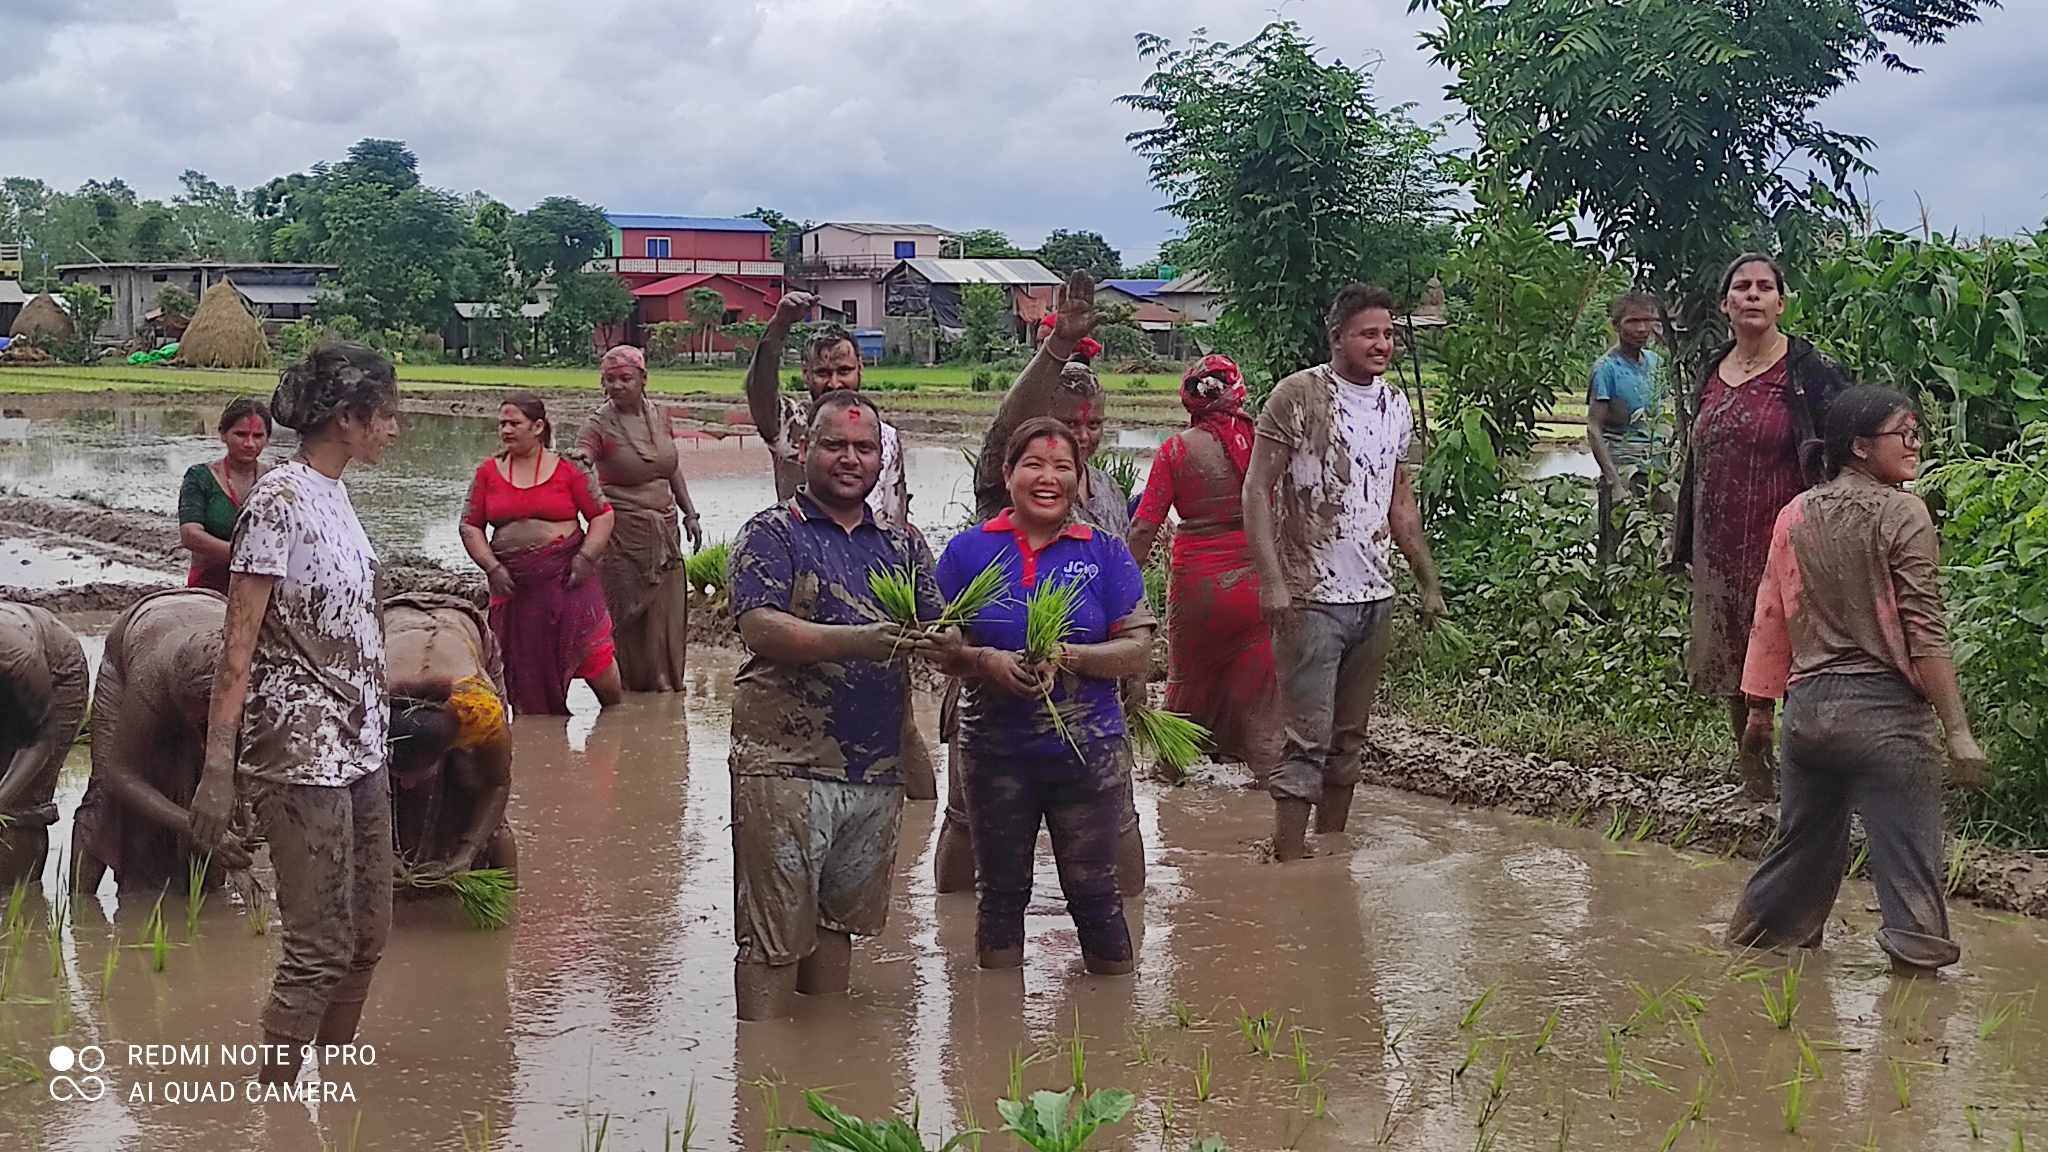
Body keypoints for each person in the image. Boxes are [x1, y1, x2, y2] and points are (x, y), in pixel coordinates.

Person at [189, 340, 400, 1087]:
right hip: (298, 748)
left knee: (368, 934)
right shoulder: (277, 500)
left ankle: (331, 1090)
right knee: (318, 946)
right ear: (347, 418)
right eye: (385, 415)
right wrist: (220, 769)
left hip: (362, 743)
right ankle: (278, 1105)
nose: (393, 429)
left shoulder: (336, 495)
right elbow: (237, 645)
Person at [1727, 385, 1988, 974]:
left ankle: (1743, 963)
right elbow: (1925, 630)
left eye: (1917, 433)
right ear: (1861, 447)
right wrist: (1958, 732)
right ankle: (1916, 1005)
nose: (1915, 444)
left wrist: (1760, 712)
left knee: (1797, 858)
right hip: (1887, 723)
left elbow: (1772, 615)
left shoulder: (1794, 513)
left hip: (1810, 717)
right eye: (1904, 433)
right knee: (1910, 862)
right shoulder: (1904, 512)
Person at [725, 390, 939, 1020]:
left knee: (839, 924)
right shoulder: (772, 532)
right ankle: (758, 1078)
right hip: (783, 762)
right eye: (835, 445)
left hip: (873, 766)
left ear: (882, 459)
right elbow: (760, 627)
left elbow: (940, 628)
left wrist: (961, 646)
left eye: (865, 448)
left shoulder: (902, 545)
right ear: (805, 449)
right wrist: (862, 642)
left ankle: (823, 1063)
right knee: (771, 937)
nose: (851, 458)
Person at [935, 271, 1147, 892]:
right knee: (969, 823)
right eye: (1066, 427)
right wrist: (1054, 348)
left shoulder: (1106, 493)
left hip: (1088, 698)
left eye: (1092, 428)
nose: (1080, 441)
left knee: (1117, 825)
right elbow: (1006, 430)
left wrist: (1130, 676)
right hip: (990, 699)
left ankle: (1128, 928)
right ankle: (951, 934)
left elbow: (1126, 604)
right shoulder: (1007, 483)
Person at [931, 417, 1156, 974]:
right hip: (994, 749)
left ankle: (1112, 1027)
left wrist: (1069, 658)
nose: (1047, 478)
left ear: (1081, 482)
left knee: (1095, 893)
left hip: (1089, 750)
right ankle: (994, 1030)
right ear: (1007, 475)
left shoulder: (1105, 552)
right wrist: (983, 659)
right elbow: (937, 644)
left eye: (1062, 467)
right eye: (1033, 464)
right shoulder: (967, 553)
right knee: (1001, 896)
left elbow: (1137, 652)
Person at [1242, 284, 1447, 862]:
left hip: (1374, 594)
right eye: (1368, 333)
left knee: (1349, 739)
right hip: (1311, 597)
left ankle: (1329, 850)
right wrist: (1273, 579)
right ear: (1337, 338)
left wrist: (1426, 581)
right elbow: (1257, 488)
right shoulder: (1298, 397)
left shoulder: (1395, 407)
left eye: (1388, 334)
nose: (1382, 344)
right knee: (1306, 737)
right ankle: (1286, 857)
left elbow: (1399, 500)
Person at [1668, 254, 1850, 796]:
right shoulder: (1714, 367)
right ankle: (1755, 778)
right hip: (1719, 541)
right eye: (1741, 287)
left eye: (1764, 287)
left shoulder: (1807, 370)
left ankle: (1807, 784)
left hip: (1788, 543)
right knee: (1732, 654)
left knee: (1794, 656)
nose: (1752, 295)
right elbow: (1697, 456)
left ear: (1781, 302)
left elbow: (1845, 442)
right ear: (1725, 304)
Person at [744, 294, 931, 798]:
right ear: (805, 375)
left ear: (861, 369)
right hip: (811, 578)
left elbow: (897, 507)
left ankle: (915, 821)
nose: (833, 382)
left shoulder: (885, 435)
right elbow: (759, 393)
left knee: (898, 718)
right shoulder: (793, 427)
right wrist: (778, 326)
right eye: (822, 372)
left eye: (843, 370)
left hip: (879, 581)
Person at [1129, 354, 1281, 782]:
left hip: (1199, 589)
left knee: (1185, 689)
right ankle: (1276, 810)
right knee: (1263, 707)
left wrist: (1116, 585)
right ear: (1237, 391)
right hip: (1259, 586)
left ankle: (1167, 781)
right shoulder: (1261, 442)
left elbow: (1144, 527)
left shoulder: (1176, 450)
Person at [72, 588, 252, 897]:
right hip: (136, 637)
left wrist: (244, 804)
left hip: (208, 614)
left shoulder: (253, 683)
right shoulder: (151, 679)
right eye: (198, 721)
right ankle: (80, 904)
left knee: (214, 794)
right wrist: (189, 824)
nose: (207, 730)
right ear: (177, 699)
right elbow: (121, 773)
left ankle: (208, 892)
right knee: (103, 794)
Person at [460, 393, 621, 716]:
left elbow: (602, 515)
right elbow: (470, 525)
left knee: (593, 655)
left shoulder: (568, 468)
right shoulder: (487, 472)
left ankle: (615, 721)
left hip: (568, 579)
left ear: (537, 427)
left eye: (514, 423)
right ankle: (535, 734)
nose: (506, 430)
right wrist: (492, 568)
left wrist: (586, 558)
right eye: (502, 424)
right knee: (520, 662)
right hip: (513, 586)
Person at [579, 347, 703, 695]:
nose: (617, 386)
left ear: (643, 380)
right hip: (623, 534)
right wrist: (595, 509)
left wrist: (690, 512)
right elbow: (581, 465)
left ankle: (665, 680)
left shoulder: (660, 415)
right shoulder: (597, 424)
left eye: (625, 379)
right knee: (629, 614)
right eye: (609, 380)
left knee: (666, 611)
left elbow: (671, 467)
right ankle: (631, 685)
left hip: (665, 527)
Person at [385, 592, 516, 886]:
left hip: (463, 629)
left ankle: (507, 916)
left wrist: (468, 852)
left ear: (448, 745)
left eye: (413, 773)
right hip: (394, 619)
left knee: (476, 789)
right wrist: (381, 850)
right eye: (398, 773)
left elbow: (497, 783)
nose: (404, 783)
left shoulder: (478, 710)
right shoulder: (365, 706)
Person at [0, 600, 88, 887]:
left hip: (57, 675)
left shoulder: (15, 654)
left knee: (20, 805)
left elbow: (40, 739)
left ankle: (20, 906)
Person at [178, 397, 273, 593]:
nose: (249, 443)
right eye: (241, 434)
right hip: (209, 587)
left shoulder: (275, 480)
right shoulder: (200, 477)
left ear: (268, 439)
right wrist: (243, 556)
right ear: (222, 434)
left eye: (257, 436)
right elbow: (190, 535)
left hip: (262, 588)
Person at [1585, 291, 1665, 498]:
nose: (1641, 329)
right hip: (1623, 471)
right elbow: (1594, 427)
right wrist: (1615, 483)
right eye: (1633, 321)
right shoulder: (1606, 369)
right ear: (1616, 325)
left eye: (1647, 321)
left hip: (1655, 471)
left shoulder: (1656, 362)